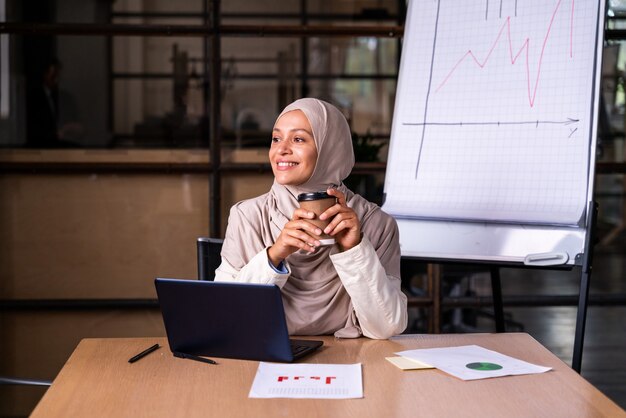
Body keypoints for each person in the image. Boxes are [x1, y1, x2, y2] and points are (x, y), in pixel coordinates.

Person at [215, 98, 407, 339]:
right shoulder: (247, 217)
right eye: (276, 139)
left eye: (298, 139)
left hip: (351, 358)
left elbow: (386, 328)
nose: (281, 149)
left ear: (330, 149)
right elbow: (225, 315)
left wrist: (355, 249)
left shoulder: (376, 223)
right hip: (267, 354)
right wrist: (276, 254)